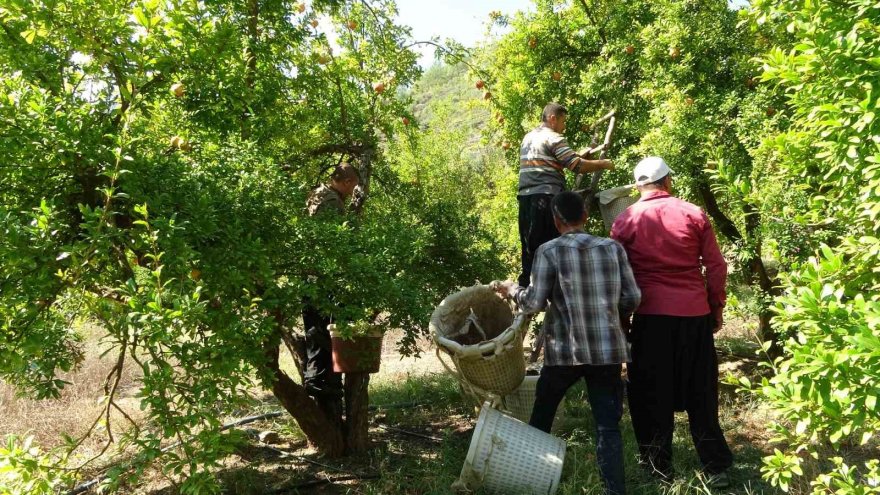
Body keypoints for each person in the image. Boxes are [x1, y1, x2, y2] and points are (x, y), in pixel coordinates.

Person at [494, 191, 641, 495]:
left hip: (564, 352)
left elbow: (534, 302)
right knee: (607, 425)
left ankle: (530, 482)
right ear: (585, 216)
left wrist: (511, 290)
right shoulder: (612, 248)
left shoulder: (548, 251)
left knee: (541, 417)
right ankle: (615, 491)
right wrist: (611, 315)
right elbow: (633, 298)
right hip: (607, 351)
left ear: (556, 220)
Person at [610, 157, 734, 487]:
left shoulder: (625, 220)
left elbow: (618, 279)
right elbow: (716, 267)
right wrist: (715, 308)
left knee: (651, 391)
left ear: (638, 186)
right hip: (694, 315)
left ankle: (658, 465)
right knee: (701, 390)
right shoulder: (694, 213)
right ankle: (715, 465)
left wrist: (623, 320)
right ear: (667, 182)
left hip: (650, 317)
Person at [517, 102, 614, 286]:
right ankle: (559, 291)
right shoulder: (554, 138)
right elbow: (576, 166)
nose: (564, 127)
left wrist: (577, 155)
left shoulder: (529, 138)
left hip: (526, 198)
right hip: (546, 198)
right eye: (563, 121)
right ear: (552, 119)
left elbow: (554, 160)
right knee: (554, 247)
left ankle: (527, 293)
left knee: (531, 247)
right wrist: (603, 164)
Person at [302, 163, 360, 410]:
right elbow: (332, 241)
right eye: (353, 186)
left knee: (316, 327)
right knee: (321, 328)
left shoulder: (317, 193)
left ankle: (318, 380)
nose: (352, 192)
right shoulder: (331, 202)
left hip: (310, 271)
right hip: (321, 274)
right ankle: (317, 381)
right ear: (345, 182)